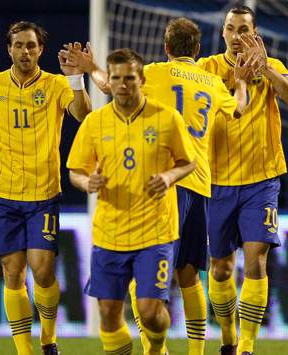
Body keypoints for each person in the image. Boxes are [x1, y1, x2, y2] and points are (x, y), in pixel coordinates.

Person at [60, 17, 252, 355]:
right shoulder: (209, 81)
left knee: (142, 274)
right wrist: (241, 83)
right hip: (199, 182)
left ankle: (154, 348)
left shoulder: (153, 74)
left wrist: (91, 68)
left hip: (158, 185)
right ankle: (196, 351)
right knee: (190, 273)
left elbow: (110, 87)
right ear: (197, 49)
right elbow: (239, 109)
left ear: (166, 49)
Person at [67, 48, 196, 355]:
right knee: (109, 315)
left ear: (141, 79)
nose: (122, 85)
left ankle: (156, 347)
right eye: (116, 79)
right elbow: (75, 171)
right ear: (108, 81)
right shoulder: (95, 122)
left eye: (129, 78)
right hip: (110, 233)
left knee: (151, 313)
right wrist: (88, 183)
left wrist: (168, 177)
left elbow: (188, 162)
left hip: (155, 232)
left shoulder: (167, 118)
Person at [194, 6, 288, 355]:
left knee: (256, 260)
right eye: (230, 28)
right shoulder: (206, 69)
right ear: (223, 32)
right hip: (215, 182)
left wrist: (267, 68)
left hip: (262, 181)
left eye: (243, 29)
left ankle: (246, 347)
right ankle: (227, 336)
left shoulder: (272, 67)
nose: (236, 35)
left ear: (254, 33)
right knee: (221, 268)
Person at [0, 21, 90, 355]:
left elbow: (83, 114)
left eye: (31, 46)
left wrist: (75, 78)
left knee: (43, 272)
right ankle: (25, 350)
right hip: (1, 193)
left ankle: (48, 338)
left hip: (43, 194)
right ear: (9, 49)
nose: (24, 51)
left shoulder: (56, 85)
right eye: (18, 45)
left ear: (40, 50)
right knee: (12, 274)